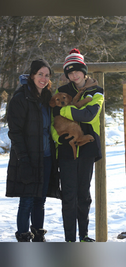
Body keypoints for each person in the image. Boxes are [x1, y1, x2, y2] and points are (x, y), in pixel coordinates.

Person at [51, 48, 104, 242]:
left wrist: (66, 110)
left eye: (77, 71)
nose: (74, 75)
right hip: (66, 147)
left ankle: (84, 235)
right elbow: (53, 120)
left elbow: (88, 115)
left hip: (87, 149)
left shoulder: (97, 91)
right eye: (70, 72)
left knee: (84, 193)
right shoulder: (61, 92)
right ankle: (69, 239)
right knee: (69, 195)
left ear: (84, 70)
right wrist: (58, 139)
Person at [6, 59, 61, 242]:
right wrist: (23, 159)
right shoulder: (21, 98)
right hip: (28, 158)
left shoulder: (47, 99)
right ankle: (23, 237)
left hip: (45, 157)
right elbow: (15, 132)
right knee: (27, 201)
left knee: (40, 200)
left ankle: (38, 233)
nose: (44, 79)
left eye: (47, 75)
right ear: (32, 75)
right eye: (40, 74)